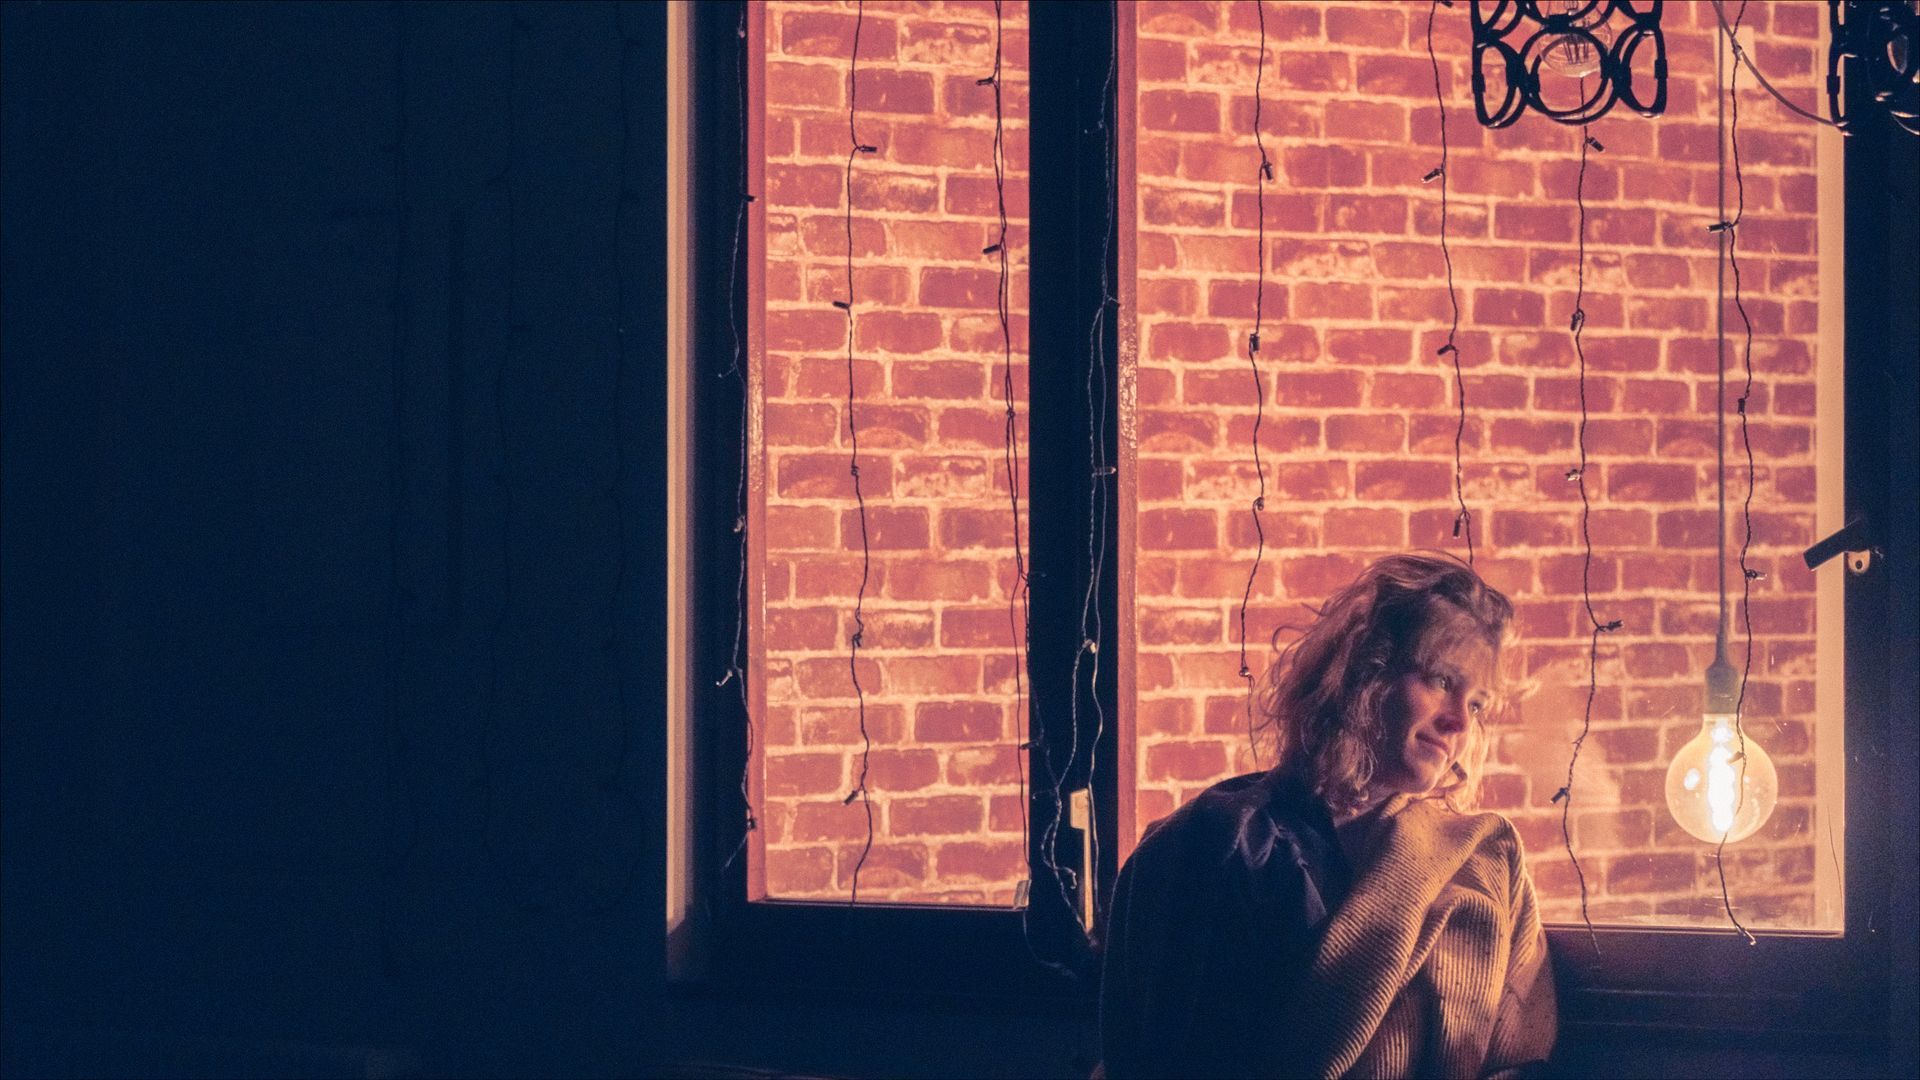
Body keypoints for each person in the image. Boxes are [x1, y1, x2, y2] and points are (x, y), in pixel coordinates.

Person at [1099, 553, 1557, 1079]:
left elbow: (1522, 1056)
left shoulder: (1482, 856)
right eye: (1440, 679)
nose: (1458, 721)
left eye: (1477, 704)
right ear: (1366, 671)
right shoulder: (1230, 842)